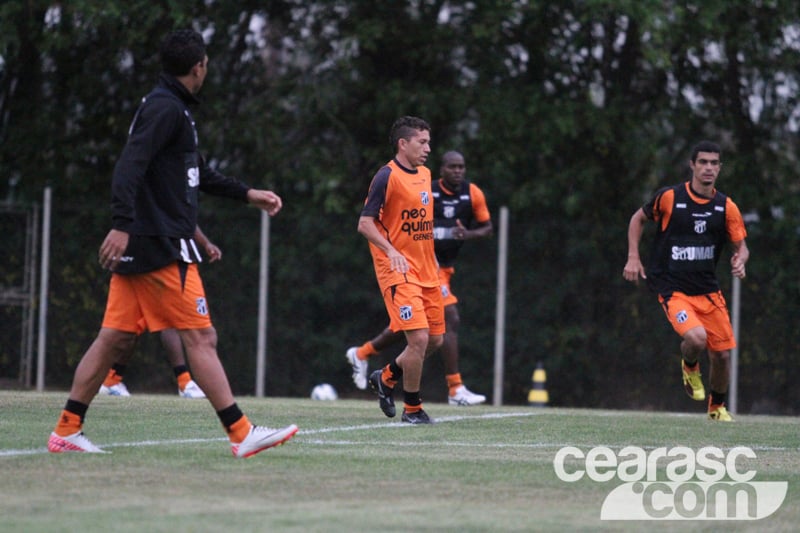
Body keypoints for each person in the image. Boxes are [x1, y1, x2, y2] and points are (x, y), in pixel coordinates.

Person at [47, 29, 297, 457]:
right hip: (158, 245)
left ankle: (66, 430)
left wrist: (246, 194)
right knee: (202, 339)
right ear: (198, 67)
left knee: (113, 339)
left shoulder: (170, 108)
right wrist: (122, 223)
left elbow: (197, 174)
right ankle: (241, 433)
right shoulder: (165, 109)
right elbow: (130, 166)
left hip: (147, 241)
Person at [346, 150, 492, 406]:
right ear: (443, 169)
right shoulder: (421, 184)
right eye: (452, 167)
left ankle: (367, 357)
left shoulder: (472, 193)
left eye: (462, 167)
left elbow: (487, 227)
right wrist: (393, 251)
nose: (458, 171)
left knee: (419, 332)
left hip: (439, 269)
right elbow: (375, 222)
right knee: (443, 322)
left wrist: (466, 234)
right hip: (418, 267)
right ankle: (453, 388)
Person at [623, 140, 749, 422]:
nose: (708, 168)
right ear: (692, 165)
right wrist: (633, 256)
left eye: (714, 163)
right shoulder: (670, 198)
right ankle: (690, 367)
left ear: (719, 168)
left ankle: (716, 409)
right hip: (673, 289)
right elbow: (637, 219)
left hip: (707, 291)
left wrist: (740, 259)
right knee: (696, 337)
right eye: (703, 162)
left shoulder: (726, 207)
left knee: (722, 357)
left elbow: (741, 246)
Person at [357, 116, 444, 424]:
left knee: (435, 340)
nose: (428, 148)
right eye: (422, 142)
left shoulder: (425, 174)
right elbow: (365, 223)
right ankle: (413, 410)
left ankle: (387, 376)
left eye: (429, 142)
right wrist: (391, 250)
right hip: (397, 271)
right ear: (402, 144)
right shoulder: (386, 176)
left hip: (426, 272)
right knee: (418, 339)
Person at [99, 226, 221, 399]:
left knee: (130, 329)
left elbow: (183, 215)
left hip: (150, 255)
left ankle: (111, 380)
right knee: (123, 331)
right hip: (157, 257)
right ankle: (184, 383)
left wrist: (206, 243)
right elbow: (178, 213)